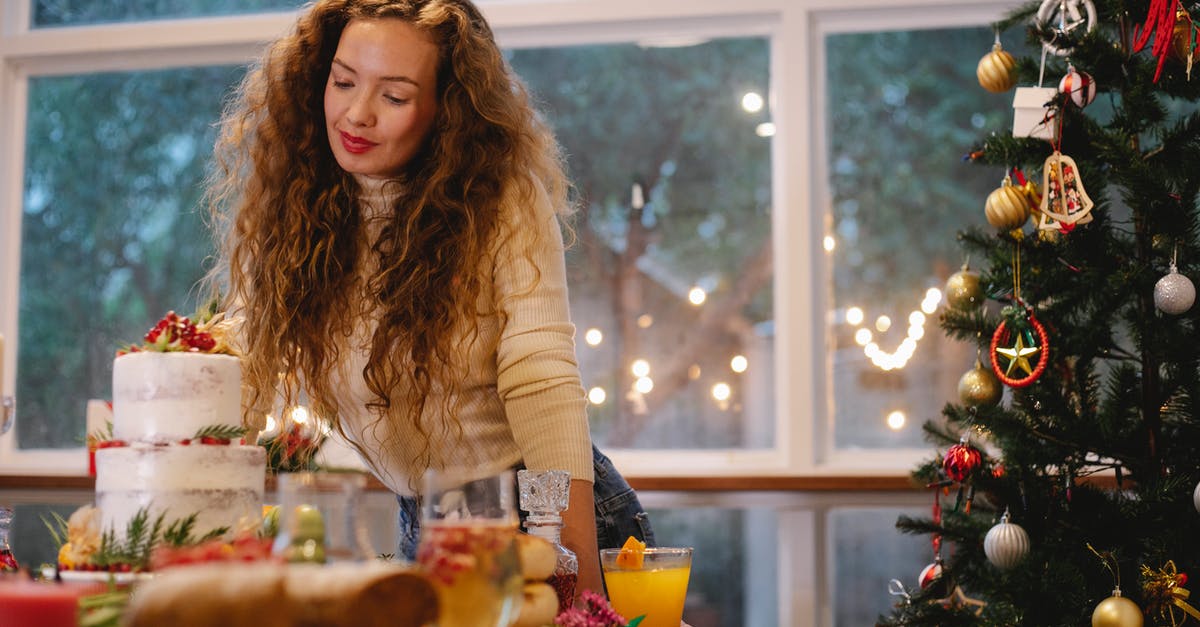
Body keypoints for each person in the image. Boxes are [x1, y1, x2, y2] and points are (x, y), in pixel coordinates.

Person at [202, 0, 654, 600]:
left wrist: (574, 572)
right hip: (428, 522)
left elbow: (539, 381)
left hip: (544, 516)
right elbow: (248, 371)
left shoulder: (500, 201)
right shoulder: (295, 209)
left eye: (393, 97)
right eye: (342, 82)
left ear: (446, 109)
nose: (356, 115)